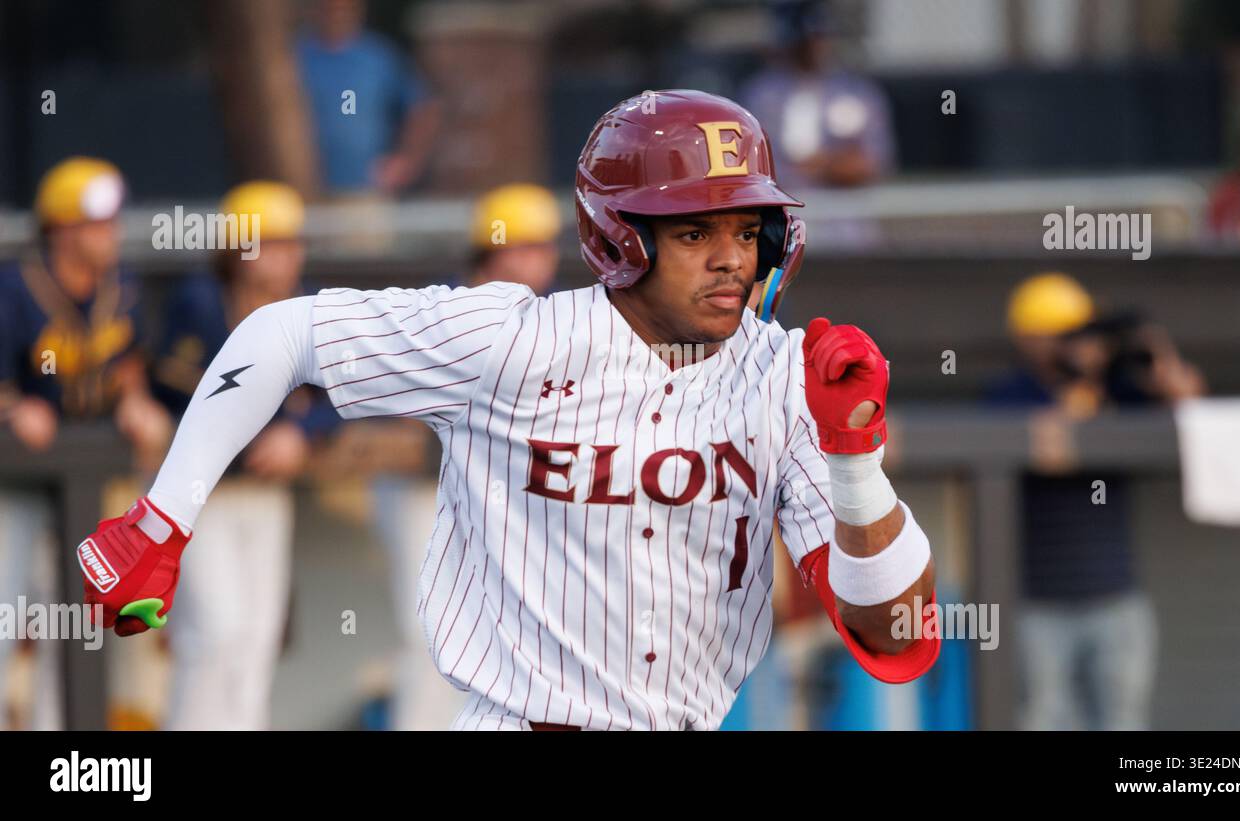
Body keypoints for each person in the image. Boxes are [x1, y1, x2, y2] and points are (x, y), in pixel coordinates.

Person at [77, 90, 940, 730]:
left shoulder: (790, 376)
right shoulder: (509, 335)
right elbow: (283, 331)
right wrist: (162, 520)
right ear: (620, 237)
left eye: (746, 231)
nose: (729, 259)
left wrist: (855, 456)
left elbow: (893, 633)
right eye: (693, 232)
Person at [368, 182, 562, 729]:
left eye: (542, 247)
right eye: (520, 248)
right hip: (423, 493)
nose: (534, 261)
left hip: (510, 496)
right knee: (434, 634)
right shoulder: (443, 310)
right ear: (489, 253)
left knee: (512, 640)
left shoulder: (555, 319)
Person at [150, 181, 340, 729]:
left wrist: (302, 433)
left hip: (265, 492)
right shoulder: (200, 301)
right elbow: (180, 397)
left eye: (290, 243)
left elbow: (343, 393)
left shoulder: (311, 305)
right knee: (213, 632)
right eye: (268, 243)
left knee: (258, 638)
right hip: (201, 493)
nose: (284, 256)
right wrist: (274, 416)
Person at [986, 272, 1203, 730]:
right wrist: (1078, 392)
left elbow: (1189, 407)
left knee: (1123, 722)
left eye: (1084, 335)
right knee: (1043, 720)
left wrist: (1154, 356)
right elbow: (1045, 437)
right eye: (1063, 337)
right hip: (1038, 601)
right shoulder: (1009, 394)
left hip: (1116, 599)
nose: (1076, 346)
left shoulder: (1120, 391)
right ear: (1030, 339)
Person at [0, 157, 171, 729]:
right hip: (14, 483)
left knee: (75, 632)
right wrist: (12, 406)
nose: (109, 235)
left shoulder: (121, 288)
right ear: (61, 229)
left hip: (85, 485)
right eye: (95, 224)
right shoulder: (14, 287)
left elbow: (127, 363)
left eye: (110, 223)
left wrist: (135, 400)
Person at [740, 0, 896, 192]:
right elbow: (758, 169)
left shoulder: (856, 90)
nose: (813, 45)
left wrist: (823, 165)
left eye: (818, 36)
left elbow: (873, 162)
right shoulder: (763, 92)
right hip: (786, 211)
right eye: (804, 38)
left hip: (845, 214)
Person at [297, 0, 439, 194]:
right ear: (312, 9)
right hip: (304, 187)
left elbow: (422, 108)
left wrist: (405, 161)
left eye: (344, 9)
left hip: (367, 187)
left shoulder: (378, 56)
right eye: (327, 8)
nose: (336, 15)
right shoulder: (294, 57)